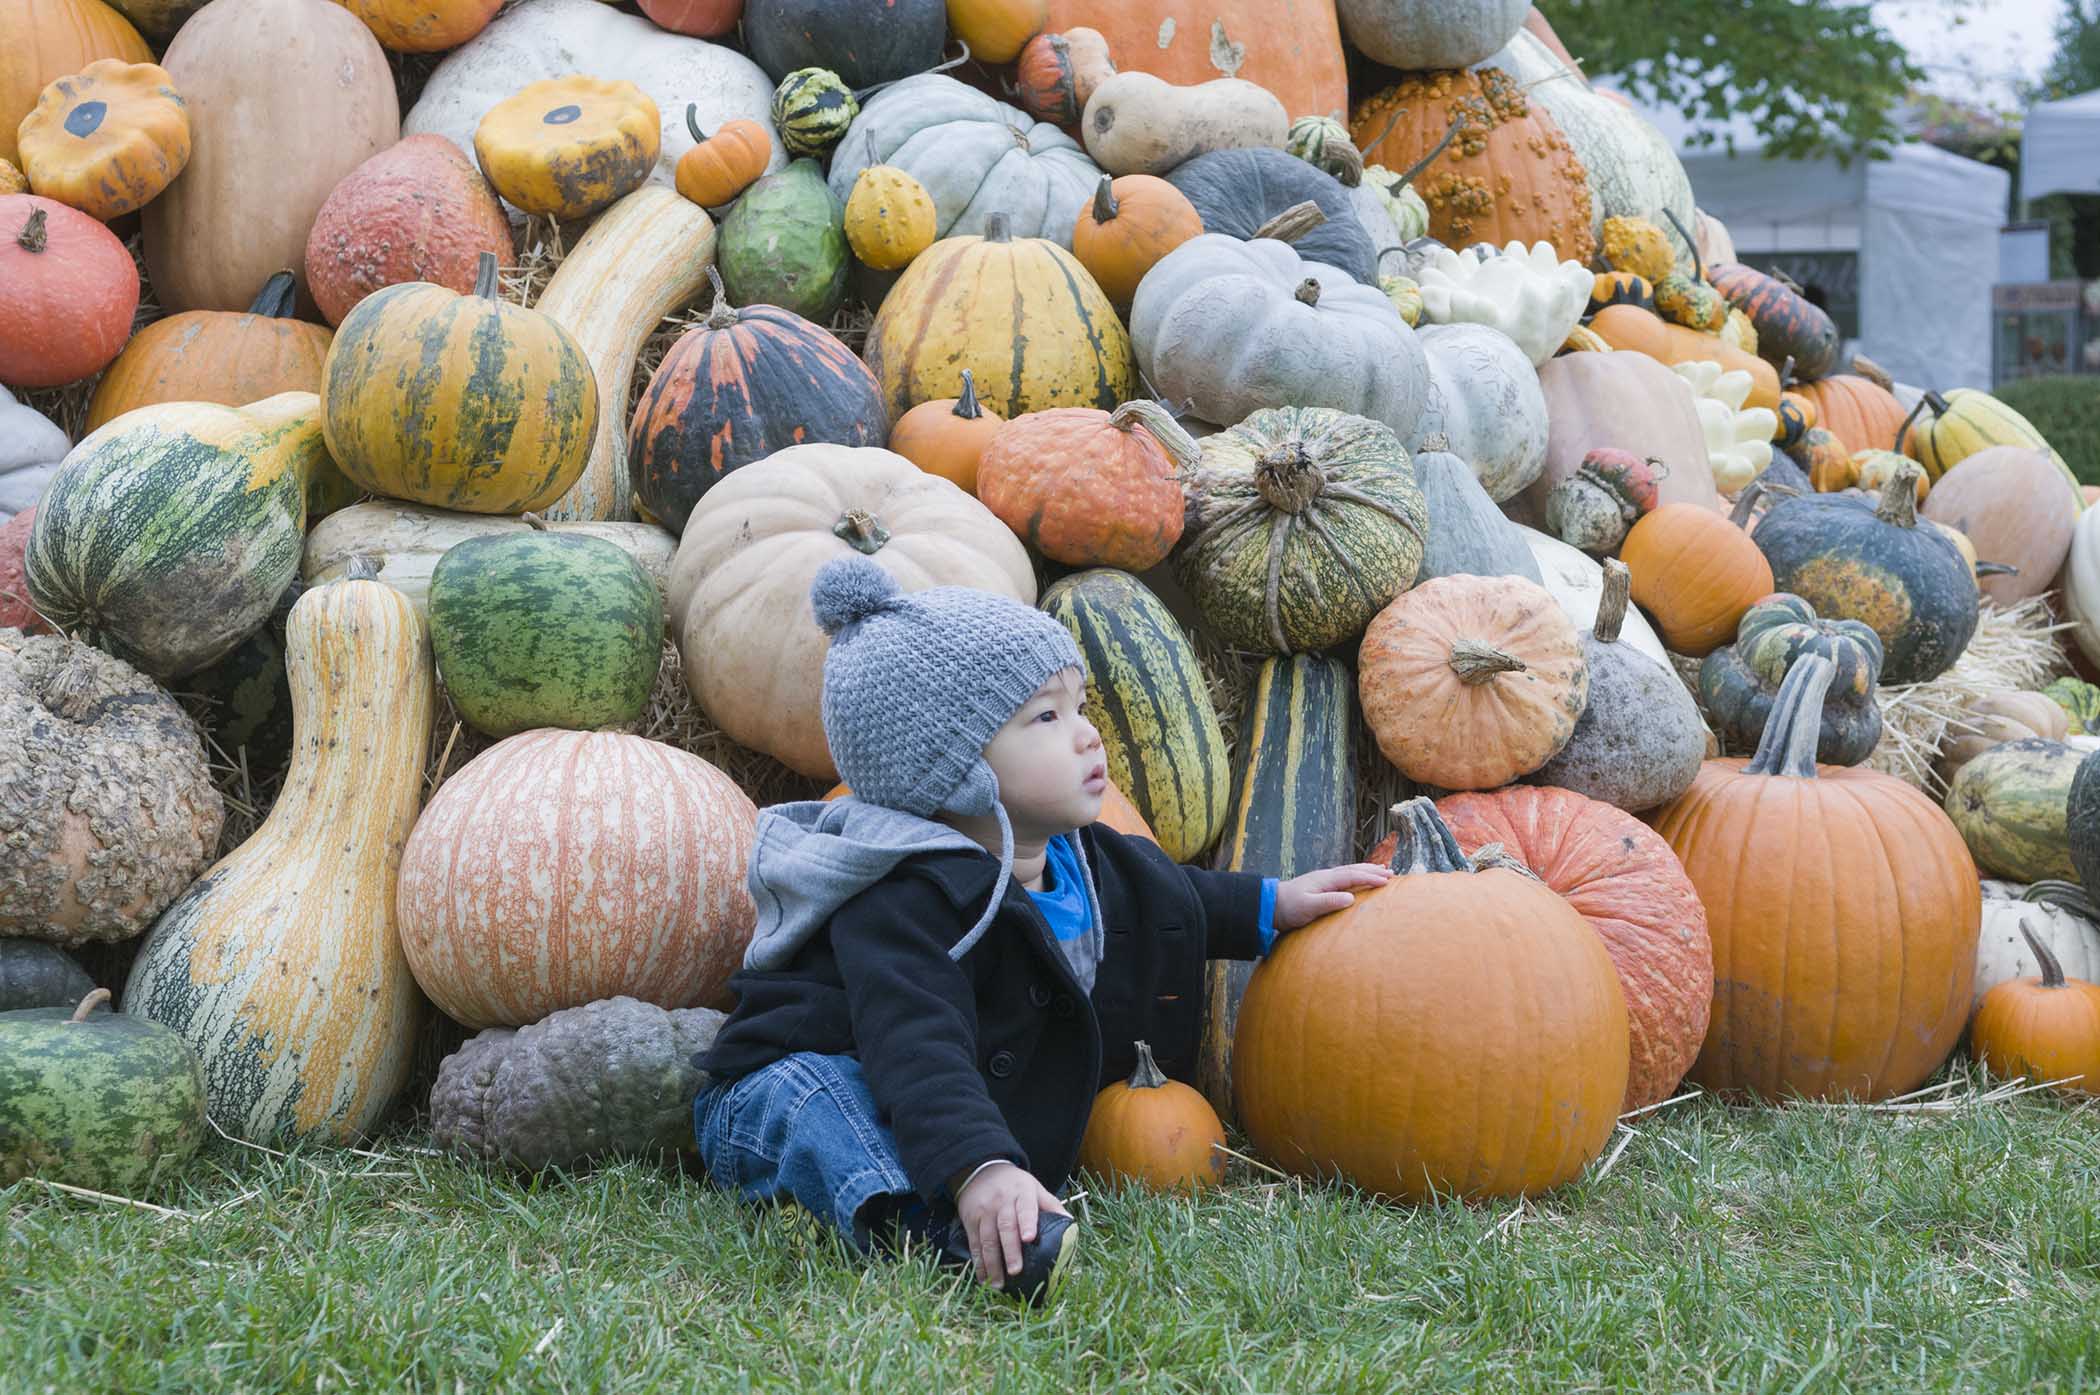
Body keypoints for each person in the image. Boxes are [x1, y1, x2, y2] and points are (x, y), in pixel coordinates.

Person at [691, 556, 1390, 1305]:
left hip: (925, 1104)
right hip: (800, 1078)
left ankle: (968, 1196)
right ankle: (934, 1227)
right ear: (957, 771)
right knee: (833, 1108)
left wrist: (1271, 904)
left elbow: (1174, 895)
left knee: (908, 1123)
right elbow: (916, 1042)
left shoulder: (1083, 858)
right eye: (1047, 718)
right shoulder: (899, 897)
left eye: (1081, 707)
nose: (1090, 737)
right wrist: (983, 1165)